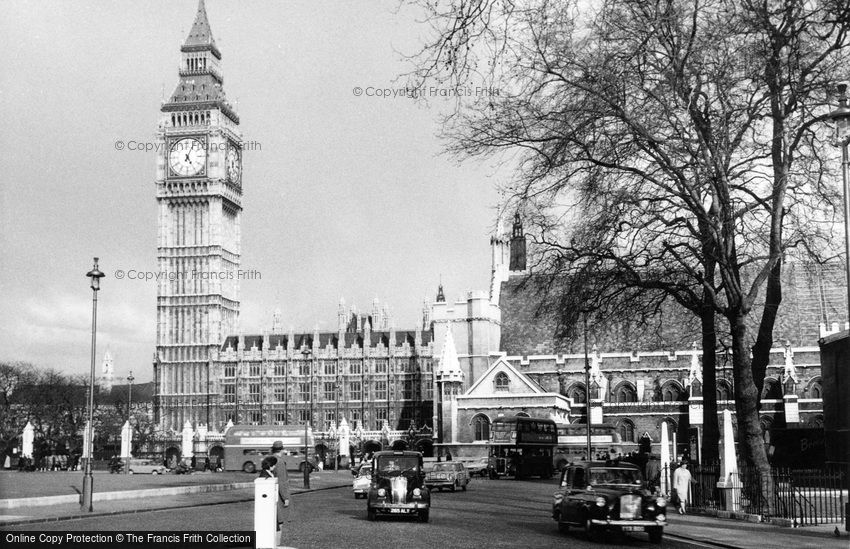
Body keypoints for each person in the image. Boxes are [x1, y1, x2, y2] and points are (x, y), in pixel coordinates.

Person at [270, 441, 291, 546]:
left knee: (273, 520)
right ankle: (276, 544)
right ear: (282, 450)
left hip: (271, 492)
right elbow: (282, 480)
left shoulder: (270, 459)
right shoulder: (280, 462)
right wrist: (285, 497)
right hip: (279, 495)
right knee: (279, 521)